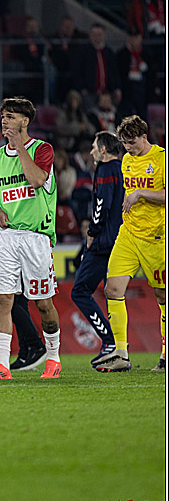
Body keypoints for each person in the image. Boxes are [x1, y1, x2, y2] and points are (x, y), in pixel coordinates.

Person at [0, 98, 62, 380]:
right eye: (3, 116)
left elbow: (37, 180)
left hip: (35, 237)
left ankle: (53, 357)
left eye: (11, 117)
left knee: (43, 303)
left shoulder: (42, 149)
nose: (4, 121)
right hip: (6, 237)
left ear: (25, 121)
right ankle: (2, 365)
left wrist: (18, 146)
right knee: (3, 300)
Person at [97, 116, 165, 372]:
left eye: (132, 142)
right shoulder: (126, 160)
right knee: (112, 289)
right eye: (124, 143)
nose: (128, 147)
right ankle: (121, 354)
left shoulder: (161, 159)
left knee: (162, 295)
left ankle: (165, 354)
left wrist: (140, 193)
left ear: (144, 137)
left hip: (156, 237)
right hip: (128, 234)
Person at [69, 132, 124, 369]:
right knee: (114, 294)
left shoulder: (104, 169)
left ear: (103, 150)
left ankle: (110, 341)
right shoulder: (123, 169)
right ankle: (120, 348)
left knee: (80, 291)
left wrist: (91, 233)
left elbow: (101, 205)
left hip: (102, 242)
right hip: (121, 241)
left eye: (94, 147)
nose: (91, 152)